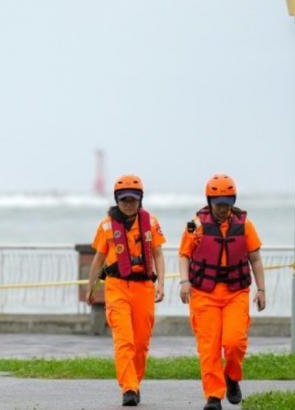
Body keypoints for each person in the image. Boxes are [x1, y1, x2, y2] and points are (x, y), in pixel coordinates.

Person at [178, 174, 266, 410]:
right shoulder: (195, 225)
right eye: (218, 204)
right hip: (204, 293)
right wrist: (184, 282)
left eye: (227, 203)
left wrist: (262, 289)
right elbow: (184, 255)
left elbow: (255, 259)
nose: (222, 209)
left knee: (234, 342)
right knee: (209, 347)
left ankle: (232, 377)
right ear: (209, 202)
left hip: (236, 292)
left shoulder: (245, 225)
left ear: (233, 201)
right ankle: (213, 397)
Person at [87, 174, 166, 407]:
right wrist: (90, 287)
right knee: (124, 341)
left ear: (140, 199)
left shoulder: (151, 223)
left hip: (144, 288)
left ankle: (135, 382)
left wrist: (161, 283)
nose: (128, 204)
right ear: (116, 200)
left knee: (141, 343)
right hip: (117, 287)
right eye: (123, 200)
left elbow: (158, 255)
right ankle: (129, 388)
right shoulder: (106, 226)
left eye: (132, 200)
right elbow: (98, 259)